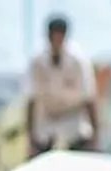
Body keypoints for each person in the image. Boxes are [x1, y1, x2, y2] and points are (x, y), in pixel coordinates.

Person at [27, 15, 99, 156]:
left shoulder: (79, 60)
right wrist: (29, 136)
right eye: (54, 36)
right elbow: (31, 100)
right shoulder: (37, 62)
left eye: (60, 36)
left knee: (82, 161)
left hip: (73, 120)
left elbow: (90, 97)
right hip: (47, 120)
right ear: (48, 36)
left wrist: (96, 135)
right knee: (38, 161)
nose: (57, 41)